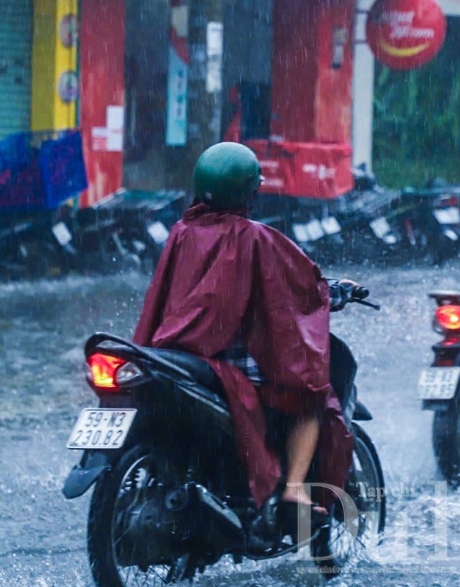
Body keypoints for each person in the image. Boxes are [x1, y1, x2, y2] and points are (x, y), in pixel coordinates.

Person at [132, 141, 354, 528]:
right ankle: (295, 489)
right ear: (250, 191)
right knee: (312, 395)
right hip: (226, 364)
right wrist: (327, 292)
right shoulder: (257, 237)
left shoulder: (181, 232)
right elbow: (298, 288)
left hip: (178, 354)